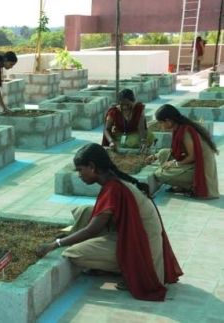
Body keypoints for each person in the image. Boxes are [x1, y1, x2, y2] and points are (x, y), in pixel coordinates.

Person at [36, 143, 183, 301]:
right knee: (83, 211)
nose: (79, 175)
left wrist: (56, 244)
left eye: (80, 170)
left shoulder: (113, 188)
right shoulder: (112, 181)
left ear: (92, 167)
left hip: (142, 247)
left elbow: (91, 229)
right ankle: (115, 263)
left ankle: (129, 270)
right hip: (135, 236)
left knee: (74, 253)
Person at [146, 104, 219, 199]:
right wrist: (155, 156)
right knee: (163, 153)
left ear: (168, 121)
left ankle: (191, 186)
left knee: (159, 175)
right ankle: (182, 183)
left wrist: (173, 163)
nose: (160, 126)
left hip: (201, 170)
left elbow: (192, 156)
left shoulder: (185, 132)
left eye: (161, 122)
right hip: (193, 163)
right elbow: (176, 150)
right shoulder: (179, 127)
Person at [102, 88, 153, 153]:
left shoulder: (138, 109)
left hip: (135, 134)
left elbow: (141, 127)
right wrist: (111, 141)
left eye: (128, 104)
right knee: (131, 142)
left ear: (133, 102)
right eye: (122, 104)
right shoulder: (113, 111)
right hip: (121, 136)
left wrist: (143, 141)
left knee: (150, 135)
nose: (125, 107)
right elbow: (106, 129)